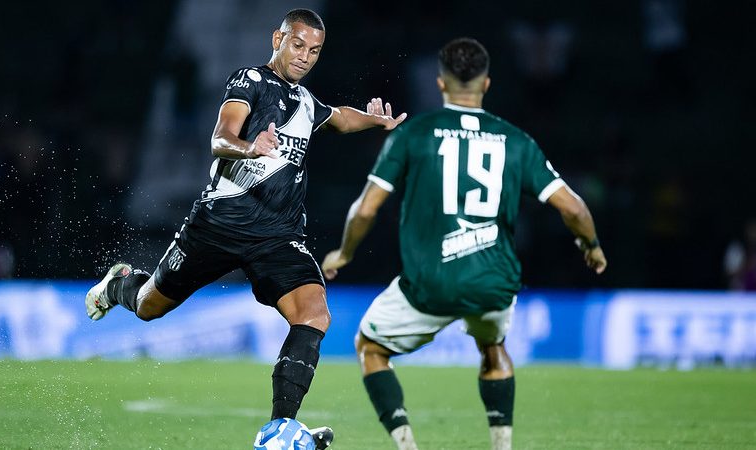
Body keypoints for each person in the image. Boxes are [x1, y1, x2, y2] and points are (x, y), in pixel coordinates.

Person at [84, 9, 406, 449]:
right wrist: (248, 148)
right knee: (148, 306)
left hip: (278, 235)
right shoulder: (249, 81)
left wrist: (375, 120)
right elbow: (219, 137)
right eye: (298, 45)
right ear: (278, 38)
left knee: (314, 314)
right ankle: (121, 282)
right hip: (219, 225)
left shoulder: (307, 103)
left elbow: (339, 118)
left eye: (314, 50)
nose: (305, 57)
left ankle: (279, 430)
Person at [321, 37, 607, 450]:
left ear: (440, 84)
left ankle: (407, 446)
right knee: (493, 348)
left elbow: (365, 211)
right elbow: (575, 210)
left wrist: (344, 253)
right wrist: (592, 246)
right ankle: (502, 445)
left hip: (428, 285)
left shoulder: (413, 134)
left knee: (369, 347)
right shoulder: (516, 141)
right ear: (487, 84)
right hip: (493, 283)